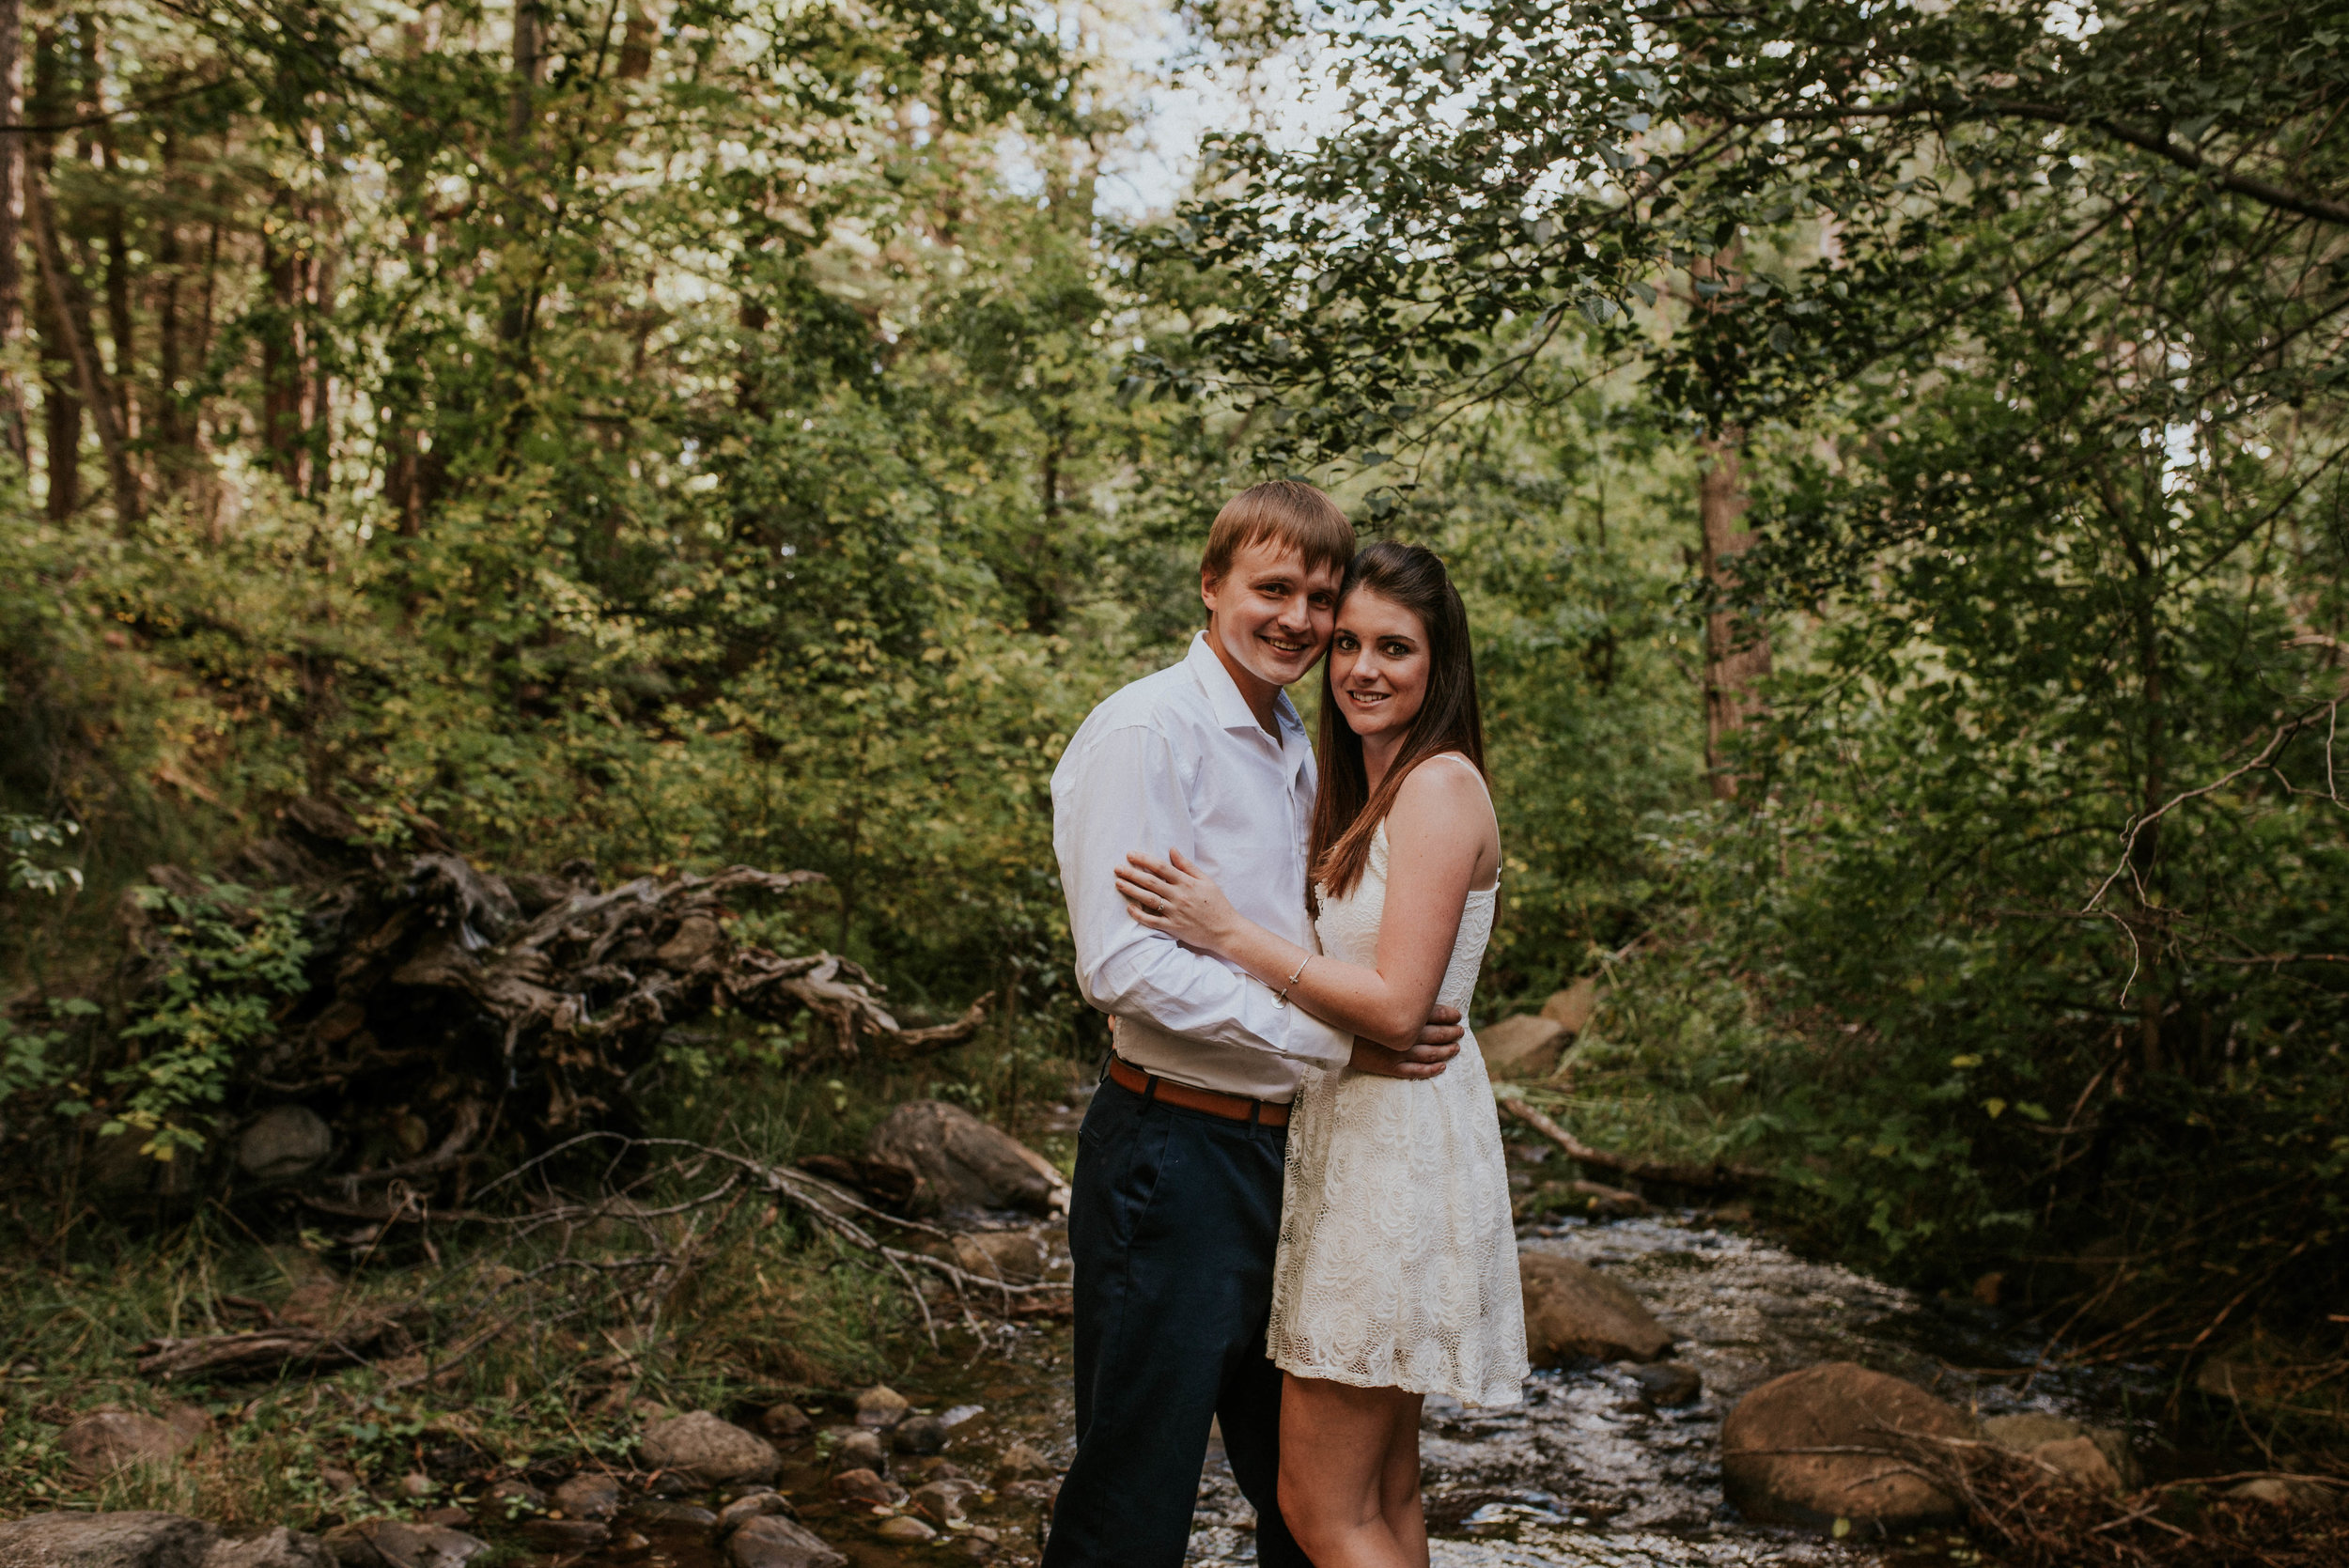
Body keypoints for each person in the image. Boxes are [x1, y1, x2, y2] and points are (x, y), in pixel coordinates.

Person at [1045, 485, 1469, 1568]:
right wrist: (1343, 1046)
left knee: (1309, 1506)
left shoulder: (1301, 739)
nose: (1297, 618)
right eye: (1271, 588)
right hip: (1174, 1154)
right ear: (1211, 584)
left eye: (1317, 598)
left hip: (1305, 1163)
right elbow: (1125, 966)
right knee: (1132, 1501)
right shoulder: (1146, 731)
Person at [1115, 540, 1530, 1568]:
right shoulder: (1369, 782)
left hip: (1390, 1150)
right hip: (1371, 1135)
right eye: (1346, 642)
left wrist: (1227, 931)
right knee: (1383, 1497)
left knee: (1318, 1504)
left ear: (1442, 665)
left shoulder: (1434, 787)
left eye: (1395, 646)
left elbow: (1394, 1007)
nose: (1360, 667)